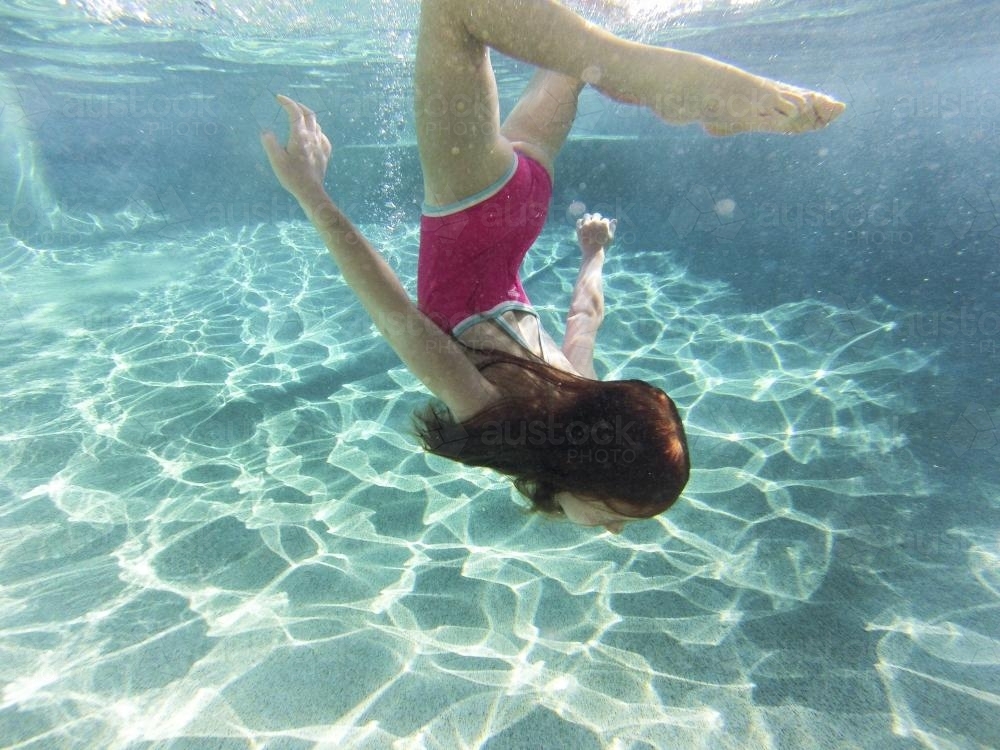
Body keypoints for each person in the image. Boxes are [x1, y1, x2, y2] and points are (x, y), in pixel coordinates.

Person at [261, 0, 844, 534]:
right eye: (618, 515)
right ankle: (648, 76)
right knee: (453, 10)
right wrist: (310, 191)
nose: (614, 532)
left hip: (526, 203)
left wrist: (594, 254)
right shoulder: (488, 410)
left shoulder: (581, 394)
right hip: (471, 204)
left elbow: (585, 317)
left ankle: (622, 54)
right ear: (589, 472)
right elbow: (394, 315)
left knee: (570, 62)